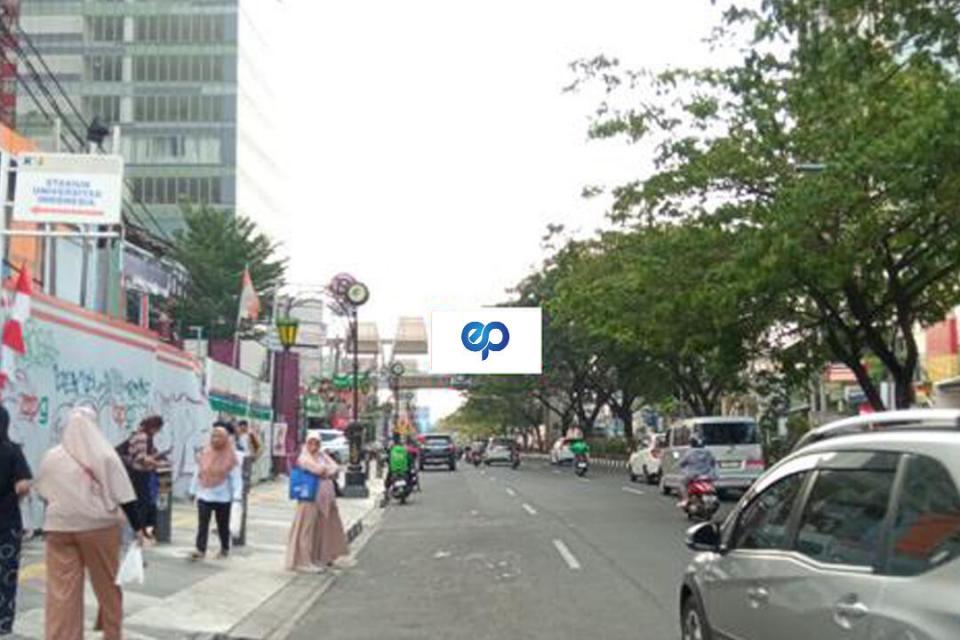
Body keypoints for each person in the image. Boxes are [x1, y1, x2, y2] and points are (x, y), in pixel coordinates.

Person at [34, 407, 148, 640]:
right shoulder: (105, 455)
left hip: (58, 528)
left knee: (62, 591)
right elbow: (124, 495)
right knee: (108, 585)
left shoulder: (52, 456)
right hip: (99, 527)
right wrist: (138, 527)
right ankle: (112, 634)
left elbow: (43, 492)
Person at [0, 405, 31, 636]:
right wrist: (13, 498)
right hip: (8, 523)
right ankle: (3, 623)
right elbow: (23, 486)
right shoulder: (13, 451)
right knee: (6, 575)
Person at [286, 432, 337, 573]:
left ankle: (313, 558)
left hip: (321, 499)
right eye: (311, 443)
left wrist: (326, 470)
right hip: (308, 497)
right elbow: (318, 469)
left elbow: (335, 467)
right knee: (305, 529)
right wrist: (326, 471)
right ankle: (303, 560)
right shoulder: (304, 457)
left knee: (317, 530)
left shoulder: (322, 456)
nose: (314, 446)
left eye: (317, 443)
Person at [189, 423, 242, 560]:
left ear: (225, 438)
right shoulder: (206, 452)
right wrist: (192, 491)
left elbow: (236, 478)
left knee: (222, 525)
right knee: (203, 524)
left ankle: (224, 548)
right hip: (204, 494)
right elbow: (198, 472)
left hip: (223, 498)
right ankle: (200, 549)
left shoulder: (230, 456)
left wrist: (237, 496)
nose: (215, 439)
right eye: (213, 436)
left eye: (219, 436)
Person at [117, 415, 164, 535]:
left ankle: (141, 529)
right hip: (138, 474)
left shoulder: (140, 434)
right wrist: (156, 463)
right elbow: (141, 458)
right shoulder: (143, 437)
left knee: (141, 501)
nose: (158, 432)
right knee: (143, 502)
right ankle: (140, 530)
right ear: (154, 427)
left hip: (137, 473)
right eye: (158, 429)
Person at [677, 435, 718, 508]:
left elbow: (682, 463)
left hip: (693, 475)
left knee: (682, 483)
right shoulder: (708, 452)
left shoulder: (690, 452)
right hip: (707, 474)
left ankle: (685, 499)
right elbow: (713, 462)